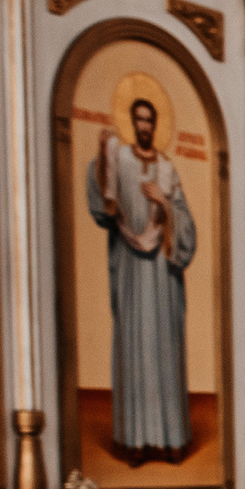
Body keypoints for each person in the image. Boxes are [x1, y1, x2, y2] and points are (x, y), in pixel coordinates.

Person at [87, 93, 195, 460]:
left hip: (162, 276)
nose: (145, 126)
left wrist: (164, 203)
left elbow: (185, 225)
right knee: (136, 347)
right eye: (140, 120)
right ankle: (135, 441)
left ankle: (169, 440)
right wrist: (103, 157)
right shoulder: (120, 161)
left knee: (164, 348)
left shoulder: (167, 168)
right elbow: (104, 208)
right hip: (133, 274)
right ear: (133, 123)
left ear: (156, 124)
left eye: (151, 120)